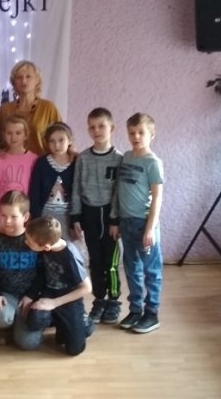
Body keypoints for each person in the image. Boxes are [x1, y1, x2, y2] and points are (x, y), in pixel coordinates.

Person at [110, 112, 164, 334]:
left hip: (145, 225)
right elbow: (118, 190)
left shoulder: (153, 163)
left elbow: (157, 197)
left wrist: (150, 228)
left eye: (141, 132)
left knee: (151, 270)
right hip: (126, 223)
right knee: (132, 269)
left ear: (152, 135)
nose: (136, 137)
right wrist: (115, 220)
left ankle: (152, 313)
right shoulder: (126, 157)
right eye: (132, 132)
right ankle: (135, 310)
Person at [71, 107, 124, 325]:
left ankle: (114, 300)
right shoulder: (83, 158)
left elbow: (119, 192)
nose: (97, 131)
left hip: (110, 217)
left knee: (111, 262)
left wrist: (115, 219)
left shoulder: (119, 159)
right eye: (92, 127)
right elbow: (76, 188)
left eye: (101, 126)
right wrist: (75, 216)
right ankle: (99, 299)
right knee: (95, 261)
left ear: (112, 128)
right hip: (89, 215)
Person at [0, 191, 42, 349]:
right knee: (0, 315)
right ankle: (7, 327)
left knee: (29, 344)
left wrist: (31, 295)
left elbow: (43, 273)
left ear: (25, 217)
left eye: (13, 217)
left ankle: (22, 324)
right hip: (6, 296)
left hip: (29, 298)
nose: (7, 222)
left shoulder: (35, 240)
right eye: (3, 216)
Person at [23, 216, 94, 356]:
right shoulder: (46, 244)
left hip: (68, 298)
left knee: (75, 349)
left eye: (29, 242)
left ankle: (85, 323)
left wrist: (54, 303)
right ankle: (61, 322)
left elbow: (87, 288)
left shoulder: (70, 256)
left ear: (46, 247)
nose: (26, 242)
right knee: (34, 321)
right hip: (50, 292)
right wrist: (30, 296)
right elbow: (42, 274)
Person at [0, 60, 62, 155]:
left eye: (28, 76)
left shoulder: (48, 108)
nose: (24, 81)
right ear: (13, 82)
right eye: (19, 77)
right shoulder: (4, 109)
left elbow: (61, 136)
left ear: (37, 80)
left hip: (41, 162)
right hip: (11, 162)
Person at [0, 115, 37, 238]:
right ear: (4, 134)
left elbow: (35, 191)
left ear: (26, 135)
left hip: (24, 218)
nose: (13, 137)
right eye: (9, 133)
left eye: (18, 133)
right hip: (3, 218)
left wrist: (30, 217)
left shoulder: (34, 160)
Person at [29, 122, 76, 240]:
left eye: (61, 140)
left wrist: (76, 220)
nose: (57, 145)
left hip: (68, 215)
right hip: (46, 215)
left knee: (67, 246)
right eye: (52, 141)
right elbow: (35, 192)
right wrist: (35, 218)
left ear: (69, 140)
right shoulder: (42, 163)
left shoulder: (76, 162)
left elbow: (79, 193)